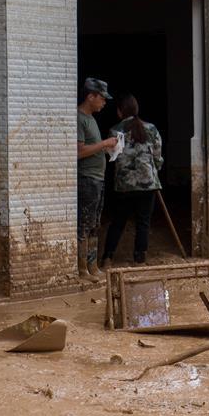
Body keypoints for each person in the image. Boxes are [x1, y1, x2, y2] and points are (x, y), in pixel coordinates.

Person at [100, 94, 163, 267]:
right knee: (143, 222)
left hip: (124, 185)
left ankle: (107, 257)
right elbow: (157, 155)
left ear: (120, 112)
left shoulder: (115, 131)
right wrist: (154, 170)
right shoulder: (151, 128)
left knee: (118, 221)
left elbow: (111, 155)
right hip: (148, 183)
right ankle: (139, 259)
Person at [77, 77, 119, 281]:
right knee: (84, 225)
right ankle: (82, 269)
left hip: (97, 178)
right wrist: (103, 144)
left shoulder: (91, 119)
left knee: (94, 224)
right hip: (87, 179)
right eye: (101, 98)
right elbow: (79, 151)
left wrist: (106, 148)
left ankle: (93, 266)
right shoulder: (79, 118)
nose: (104, 103)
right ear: (90, 96)